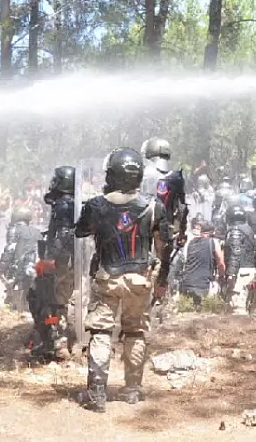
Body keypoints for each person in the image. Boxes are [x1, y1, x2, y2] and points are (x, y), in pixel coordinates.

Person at [76, 148, 168, 412]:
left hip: (108, 279)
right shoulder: (153, 205)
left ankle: (97, 392)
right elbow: (164, 246)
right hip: (140, 279)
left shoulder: (96, 205)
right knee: (135, 332)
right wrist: (161, 278)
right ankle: (132, 391)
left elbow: (82, 230)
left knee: (102, 332)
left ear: (112, 174)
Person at [38, 165, 77, 360]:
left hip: (62, 260)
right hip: (72, 259)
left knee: (55, 300)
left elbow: (62, 234)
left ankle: (60, 342)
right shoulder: (76, 203)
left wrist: (50, 258)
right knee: (64, 298)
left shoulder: (63, 204)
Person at [140, 137, 187, 299]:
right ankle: (158, 299)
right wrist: (181, 231)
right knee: (163, 265)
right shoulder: (176, 177)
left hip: (142, 225)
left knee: (141, 261)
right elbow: (181, 208)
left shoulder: (141, 173)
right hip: (165, 228)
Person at [0, 206, 38, 313]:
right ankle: (23, 305)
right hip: (32, 265)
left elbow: (10, 249)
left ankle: (14, 303)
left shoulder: (14, 230)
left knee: (9, 277)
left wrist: (1, 268)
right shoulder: (33, 230)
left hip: (17, 266)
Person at [222, 203, 256, 313]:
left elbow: (235, 252)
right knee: (246, 307)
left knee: (237, 310)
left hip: (239, 273)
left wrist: (231, 274)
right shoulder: (249, 230)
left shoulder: (235, 231)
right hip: (250, 271)